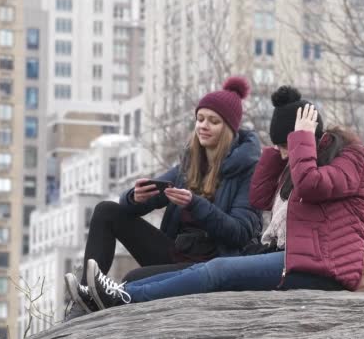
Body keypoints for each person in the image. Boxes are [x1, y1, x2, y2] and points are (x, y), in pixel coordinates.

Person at [68, 85, 364, 309]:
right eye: (200, 119)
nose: (283, 154)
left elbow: (311, 185)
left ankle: (123, 296)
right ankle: (112, 293)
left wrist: (300, 138)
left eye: (284, 146)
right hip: (299, 262)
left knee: (216, 271)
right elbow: (262, 196)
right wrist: (133, 199)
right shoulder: (295, 160)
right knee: (204, 271)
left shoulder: (352, 159)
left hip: (323, 268)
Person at [64, 77, 263, 318]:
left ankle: (102, 305)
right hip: (176, 252)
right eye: (200, 119)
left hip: (211, 265)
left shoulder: (249, 170)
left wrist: (195, 204)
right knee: (107, 211)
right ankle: (84, 297)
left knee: (131, 279)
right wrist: (134, 198)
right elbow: (147, 197)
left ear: (230, 129)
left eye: (213, 121)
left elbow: (240, 232)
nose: (203, 126)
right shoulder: (189, 164)